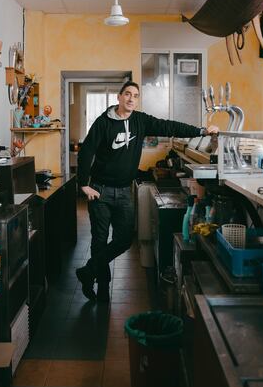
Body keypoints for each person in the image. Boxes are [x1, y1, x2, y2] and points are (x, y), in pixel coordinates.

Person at [76, 81, 219, 302]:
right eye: (127, 94)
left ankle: (88, 271)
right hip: (100, 191)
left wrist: (201, 131)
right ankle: (102, 290)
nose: (131, 99)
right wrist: (83, 184)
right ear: (119, 97)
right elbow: (86, 151)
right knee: (99, 241)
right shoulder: (103, 123)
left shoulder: (140, 121)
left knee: (124, 239)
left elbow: (168, 126)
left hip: (124, 191)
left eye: (135, 95)